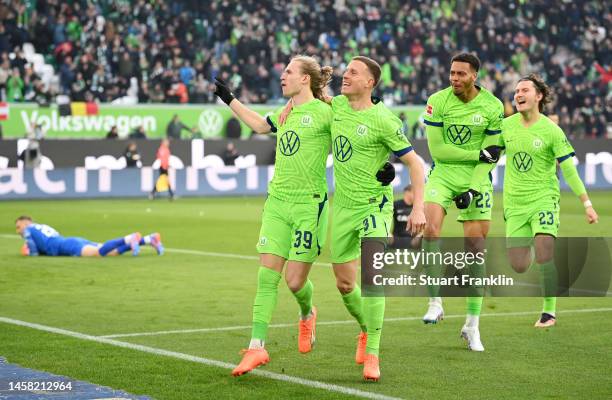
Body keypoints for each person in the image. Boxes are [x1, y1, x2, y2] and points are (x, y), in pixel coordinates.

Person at [279, 56, 426, 381]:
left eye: (353, 73)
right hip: (342, 209)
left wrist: (418, 208)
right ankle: (365, 329)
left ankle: (373, 353)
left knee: (373, 277)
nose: (345, 76)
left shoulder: (385, 120)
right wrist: (291, 107)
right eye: (345, 71)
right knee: (345, 284)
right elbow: (312, 102)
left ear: (369, 82)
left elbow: (416, 164)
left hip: (374, 206)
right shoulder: (336, 108)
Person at [214, 55, 333, 377]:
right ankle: (256, 346)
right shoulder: (286, 112)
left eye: (288, 72)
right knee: (267, 277)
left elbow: (354, 138)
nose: (282, 77)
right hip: (278, 202)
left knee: (295, 282)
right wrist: (229, 99)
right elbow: (257, 124)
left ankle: (308, 313)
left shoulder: (326, 113)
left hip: (309, 206)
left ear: (305, 79)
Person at [498, 75, 598, 327]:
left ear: (538, 96)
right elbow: (487, 154)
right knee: (519, 265)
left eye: (524, 90)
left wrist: (586, 204)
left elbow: (569, 170)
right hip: (514, 203)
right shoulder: (506, 126)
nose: (518, 95)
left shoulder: (552, 130)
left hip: (544, 198)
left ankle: (549, 312)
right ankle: (530, 242)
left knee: (545, 253)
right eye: (516, 91)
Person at [421, 53, 505, 352]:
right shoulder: (437, 100)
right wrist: (475, 154)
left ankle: (472, 325)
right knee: (430, 230)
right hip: (443, 174)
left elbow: (492, 154)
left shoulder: (493, 106)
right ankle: (435, 301)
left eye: (460, 74)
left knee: (475, 249)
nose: (454, 78)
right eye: (452, 73)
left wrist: (472, 185)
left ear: (474, 76)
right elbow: (438, 149)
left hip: (478, 179)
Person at [16, 216, 164, 257]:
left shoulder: (29, 229)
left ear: (26, 222)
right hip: (72, 241)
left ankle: (129, 238)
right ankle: (148, 239)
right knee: (110, 252)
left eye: (18, 226)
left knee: (99, 254)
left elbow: (34, 249)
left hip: (70, 246)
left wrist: (32, 253)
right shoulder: (41, 226)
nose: (18, 230)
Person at [390, 185, 422, 250]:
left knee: (425, 234)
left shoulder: (418, 207)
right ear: (407, 193)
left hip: (413, 241)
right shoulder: (395, 204)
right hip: (395, 238)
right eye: (414, 193)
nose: (417, 196)